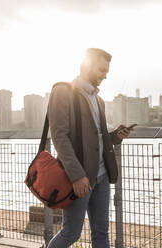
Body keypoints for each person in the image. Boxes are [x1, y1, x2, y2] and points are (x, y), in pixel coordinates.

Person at [47, 48, 131, 247]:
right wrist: (76, 175)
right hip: (80, 177)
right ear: (87, 65)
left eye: (107, 72)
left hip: (101, 177)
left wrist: (115, 137)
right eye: (102, 70)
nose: (105, 76)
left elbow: (97, 138)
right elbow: (60, 137)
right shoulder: (63, 91)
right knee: (71, 234)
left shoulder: (98, 100)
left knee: (101, 233)